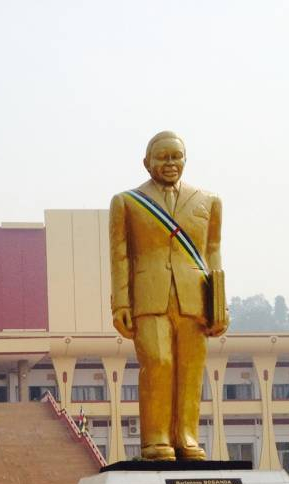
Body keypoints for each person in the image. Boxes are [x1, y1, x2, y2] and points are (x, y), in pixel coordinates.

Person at [109, 131, 228, 461]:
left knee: (191, 368)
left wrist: (218, 303)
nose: (170, 163)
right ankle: (156, 439)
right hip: (149, 297)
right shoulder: (127, 202)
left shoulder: (208, 201)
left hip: (194, 298)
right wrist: (121, 302)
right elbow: (119, 255)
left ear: (185, 160)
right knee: (159, 363)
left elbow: (213, 252)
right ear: (147, 163)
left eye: (176, 157)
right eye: (163, 157)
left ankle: (187, 437)